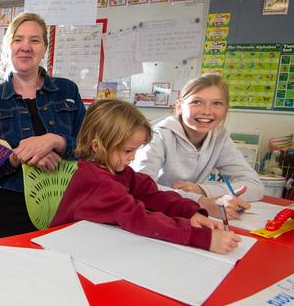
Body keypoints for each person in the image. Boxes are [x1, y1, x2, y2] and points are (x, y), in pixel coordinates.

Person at [51, 99, 240, 255]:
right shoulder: (98, 182)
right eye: (127, 151)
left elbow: (153, 195)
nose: (132, 157)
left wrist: (190, 212)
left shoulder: (119, 172)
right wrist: (201, 238)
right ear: (97, 146)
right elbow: (139, 217)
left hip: (95, 242)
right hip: (66, 251)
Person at [0, 12, 86, 239]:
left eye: (34, 40)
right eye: (18, 39)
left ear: (45, 48)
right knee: (7, 271)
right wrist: (22, 157)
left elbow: (91, 149)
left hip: (64, 201)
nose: (25, 47)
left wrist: (55, 141)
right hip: (9, 208)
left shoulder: (68, 91)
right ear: (9, 47)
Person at [131, 74, 263, 219]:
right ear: (179, 106)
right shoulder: (157, 135)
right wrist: (201, 201)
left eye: (217, 103)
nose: (207, 111)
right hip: (151, 213)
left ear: (226, 109)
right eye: (197, 102)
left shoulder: (219, 137)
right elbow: (140, 188)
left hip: (186, 213)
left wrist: (203, 190)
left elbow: (255, 186)